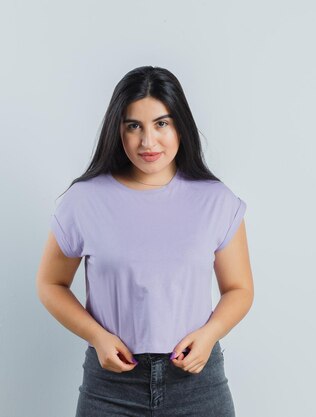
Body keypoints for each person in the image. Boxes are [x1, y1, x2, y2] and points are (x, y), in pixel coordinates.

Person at [35, 66, 253, 417]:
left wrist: (210, 334)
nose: (147, 142)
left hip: (197, 384)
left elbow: (239, 289)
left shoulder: (216, 200)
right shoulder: (84, 200)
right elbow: (50, 283)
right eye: (133, 126)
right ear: (117, 130)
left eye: (161, 124)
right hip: (111, 388)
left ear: (181, 125)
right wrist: (97, 336)